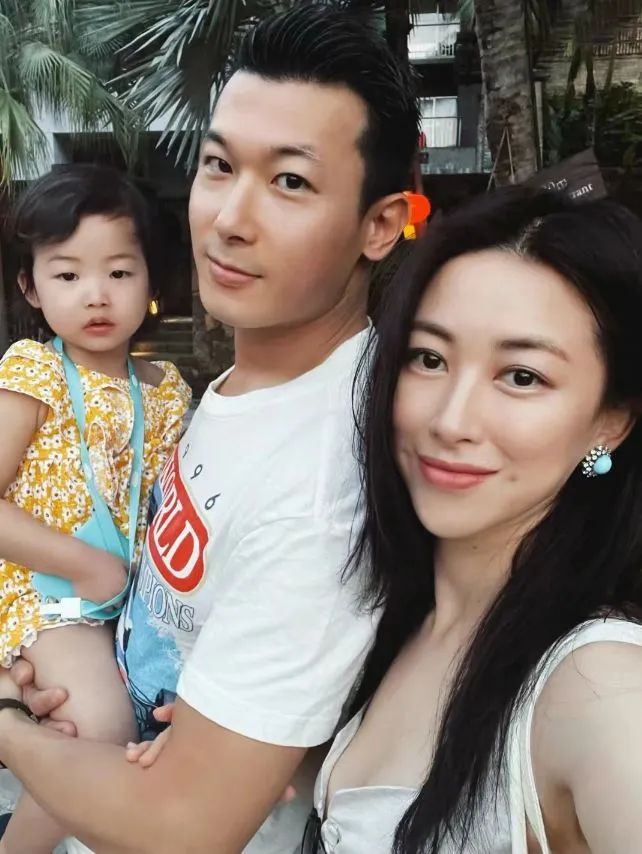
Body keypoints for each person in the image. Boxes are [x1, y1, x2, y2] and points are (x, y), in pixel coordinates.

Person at [0, 6, 419, 853]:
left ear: (380, 224)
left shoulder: (326, 478)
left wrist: (7, 720)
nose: (230, 217)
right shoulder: (227, 392)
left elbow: (185, 825)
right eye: (220, 165)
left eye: (291, 182)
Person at [301, 187, 642, 853]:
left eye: (521, 377)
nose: (451, 420)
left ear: (611, 422)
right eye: (428, 359)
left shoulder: (601, 690)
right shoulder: (391, 617)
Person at [0, 165, 191, 853]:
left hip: (132, 604)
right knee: (100, 731)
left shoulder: (167, 389)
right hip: (45, 591)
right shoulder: (34, 371)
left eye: (119, 271)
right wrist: (82, 564)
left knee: (152, 751)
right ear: (31, 287)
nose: (96, 294)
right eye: (67, 274)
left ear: (151, 278)